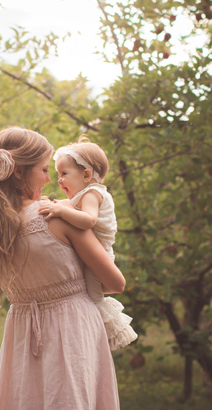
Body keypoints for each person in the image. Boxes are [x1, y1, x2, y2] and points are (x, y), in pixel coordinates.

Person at [0, 126, 123, 410]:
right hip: (72, 330)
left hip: (22, 332)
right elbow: (115, 283)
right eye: (45, 170)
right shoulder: (55, 217)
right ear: (19, 172)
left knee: (26, 400)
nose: (50, 179)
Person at [37, 141, 137, 351]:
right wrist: (56, 206)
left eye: (64, 173)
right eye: (58, 174)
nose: (59, 180)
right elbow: (66, 206)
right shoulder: (80, 196)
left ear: (86, 175)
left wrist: (61, 212)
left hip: (99, 255)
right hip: (92, 253)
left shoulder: (93, 194)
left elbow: (89, 220)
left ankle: (101, 330)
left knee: (92, 297)